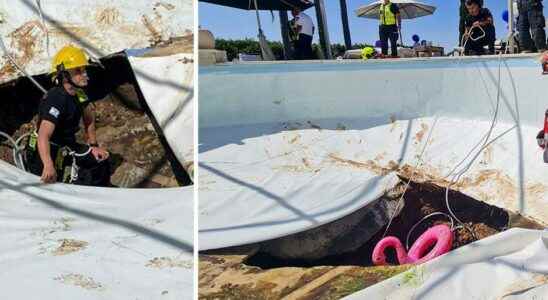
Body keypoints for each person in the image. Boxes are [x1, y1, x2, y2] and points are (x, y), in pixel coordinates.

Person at [26, 45, 112, 186]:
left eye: (84, 70)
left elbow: (89, 119)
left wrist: (93, 145)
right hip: (46, 151)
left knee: (100, 162)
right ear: (65, 75)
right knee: (61, 184)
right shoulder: (56, 98)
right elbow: (43, 135)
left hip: (66, 146)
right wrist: (48, 165)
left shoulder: (80, 94)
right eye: (78, 71)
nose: (85, 74)